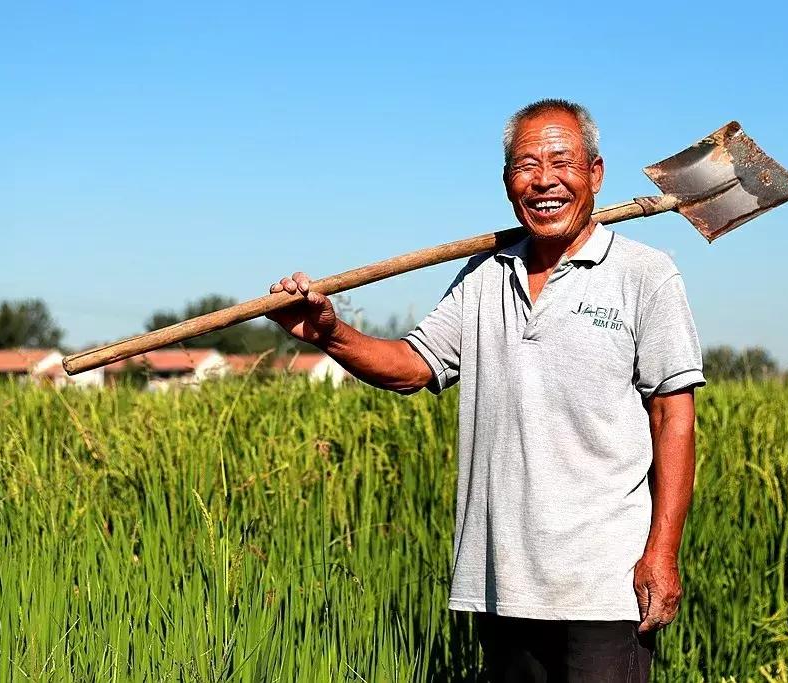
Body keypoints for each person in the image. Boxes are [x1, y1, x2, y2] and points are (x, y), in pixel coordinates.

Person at [267, 99, 705, 682]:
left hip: (605, 583)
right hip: (500, 580)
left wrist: (663, 552)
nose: (544, 181)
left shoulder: (645, 274)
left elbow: (673, 418)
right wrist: (329, 332)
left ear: (596, 174)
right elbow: (411, 366)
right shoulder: (483, 274)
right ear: (507, 183)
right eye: (526, 166)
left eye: (562, 163)